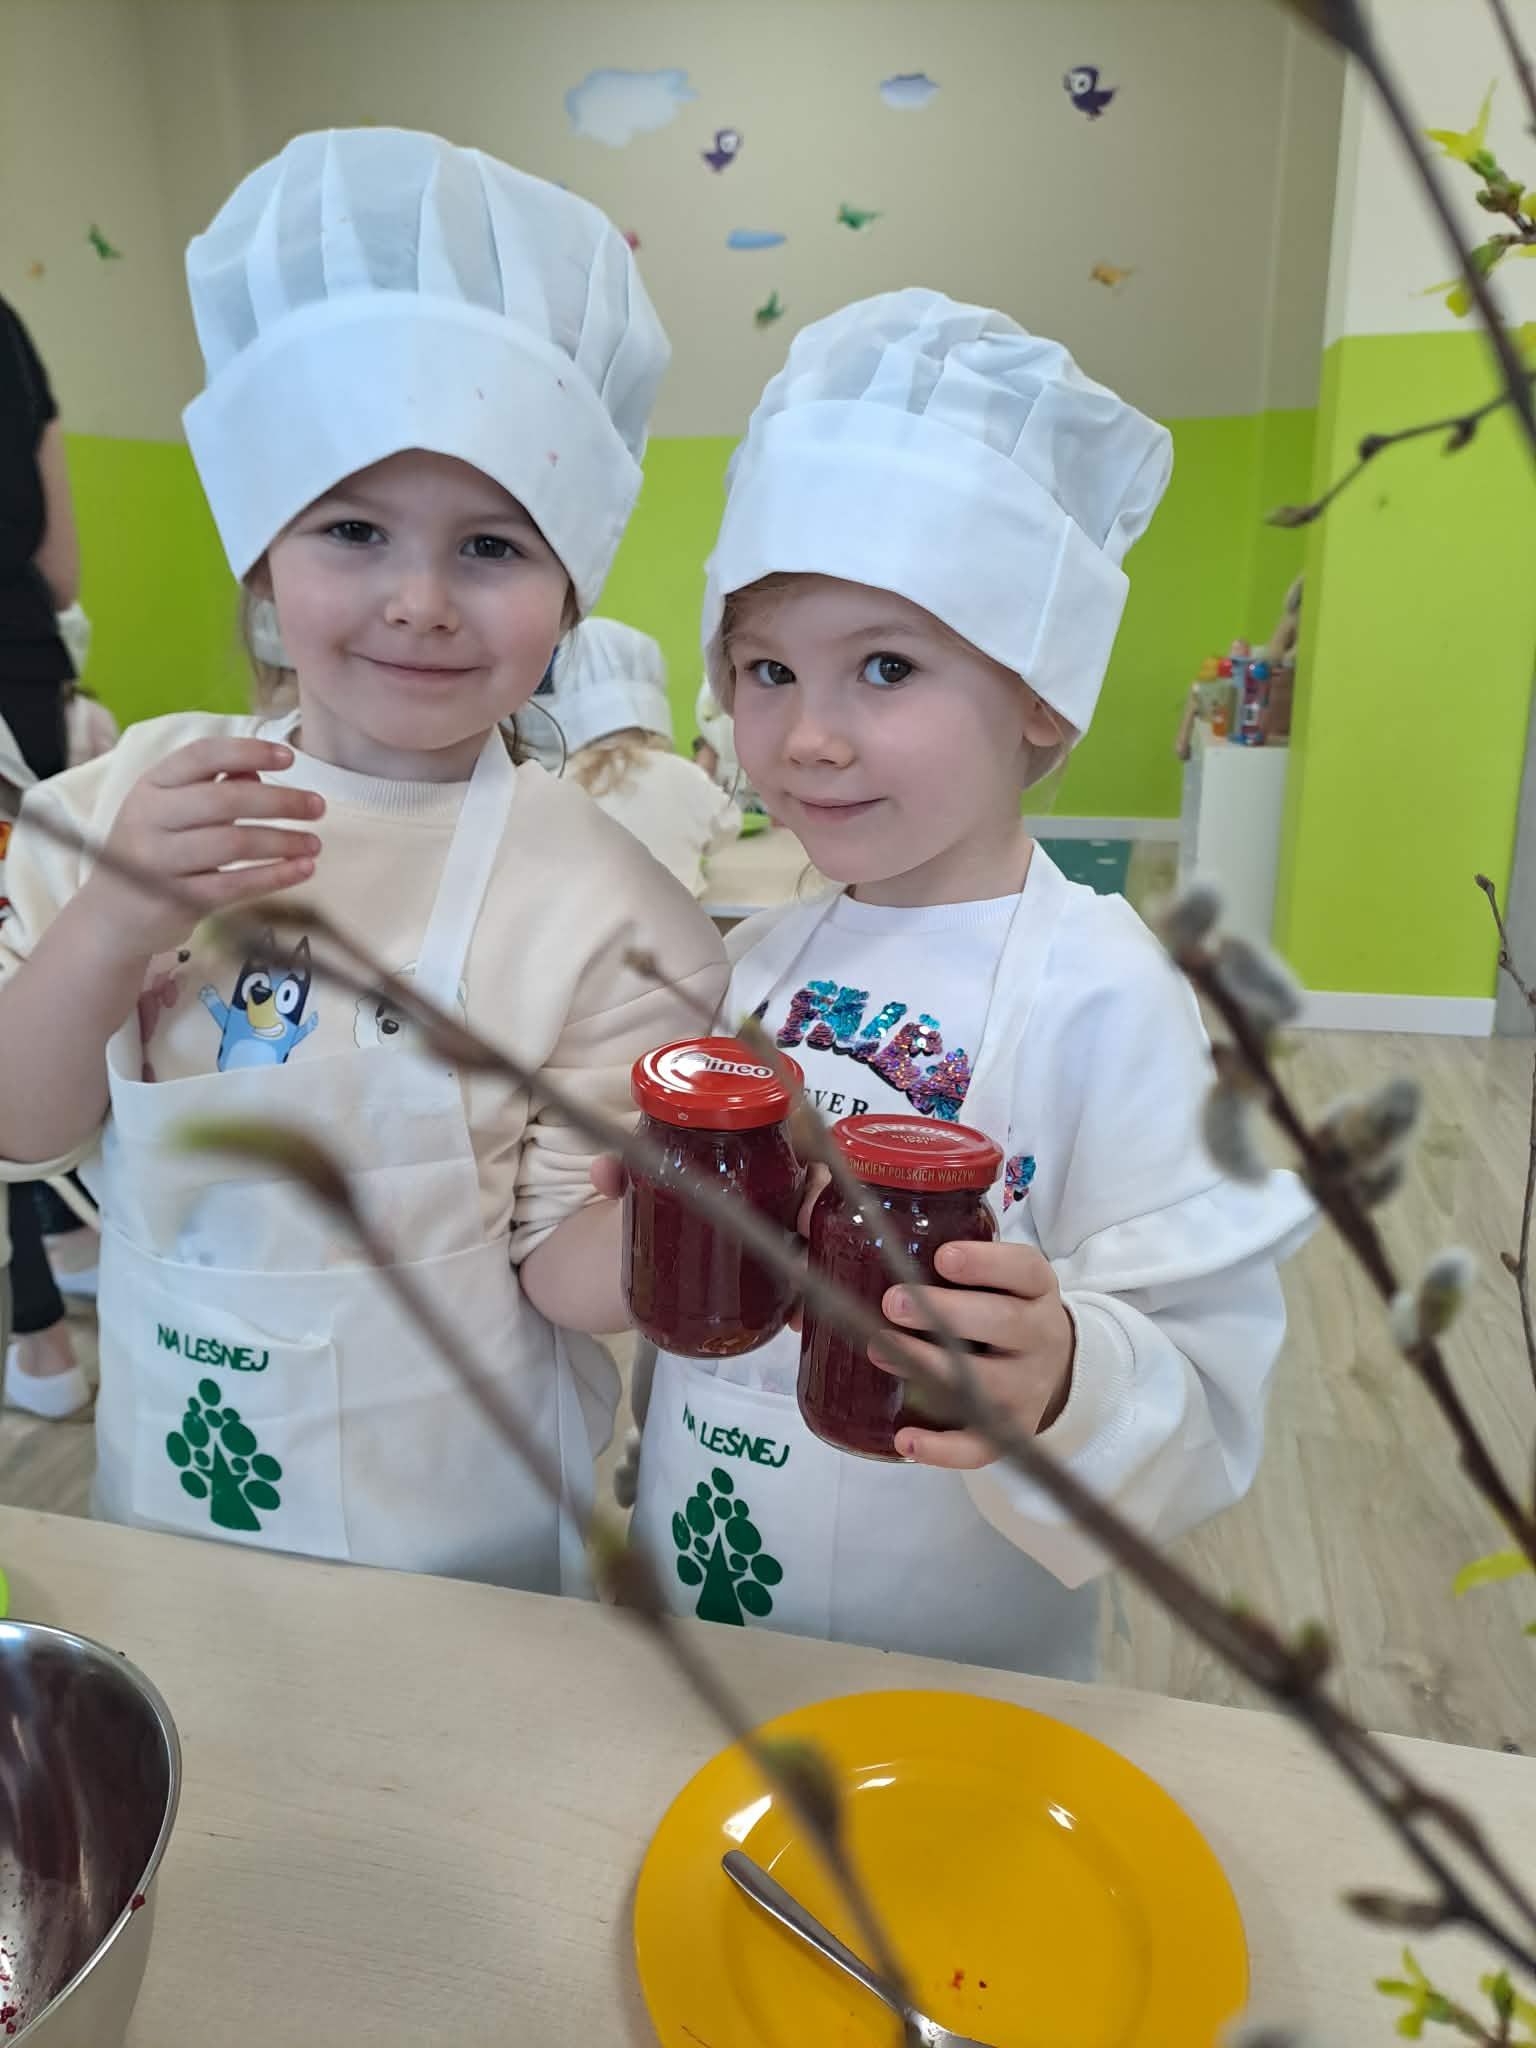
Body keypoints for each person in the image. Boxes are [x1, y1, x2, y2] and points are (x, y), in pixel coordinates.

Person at [0, 129, 726, 1587]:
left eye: (492, 548)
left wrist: (697, 1216)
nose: (419, 600)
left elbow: (560, 1274)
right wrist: (112, 923)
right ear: (265, 559)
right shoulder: (127, 800)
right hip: (181, 1518)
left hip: (468, 1559)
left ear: (571, 590)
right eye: (352, 529)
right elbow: (25, 1131)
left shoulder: (610, 910)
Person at [624, 291, 1312, 1675]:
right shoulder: (752, 965)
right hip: (701, 1605)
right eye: (767, 671)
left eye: (886, 667)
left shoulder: (1107, 993)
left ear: (1042, 695)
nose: (808, 738)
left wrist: (1066, 1376)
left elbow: (1202, 1375)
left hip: (954, 1656)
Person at [0, 292, 90, 1416]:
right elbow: (58, 569)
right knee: (24, 953)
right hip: (19, 674)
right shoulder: (9, 329)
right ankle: (61, 1259)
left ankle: (37, 1329)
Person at [540, 616, 739, 895]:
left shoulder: (557, 781)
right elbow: (728, 826)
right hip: (675, 919)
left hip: (586, 920)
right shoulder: (682, 774)